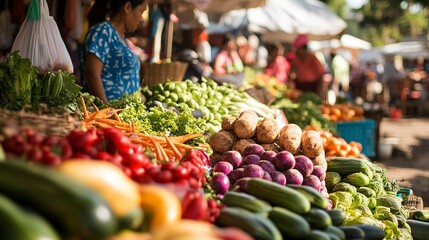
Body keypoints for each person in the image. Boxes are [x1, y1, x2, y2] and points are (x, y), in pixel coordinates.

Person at [80, 0, 147, 102]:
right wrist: (107, 111)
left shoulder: (122, 39)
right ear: (127, 7)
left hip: (123, 115)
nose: (141, 19)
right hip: (107, 115)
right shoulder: (103, 31)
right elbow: (92, 73)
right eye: (140, 12)